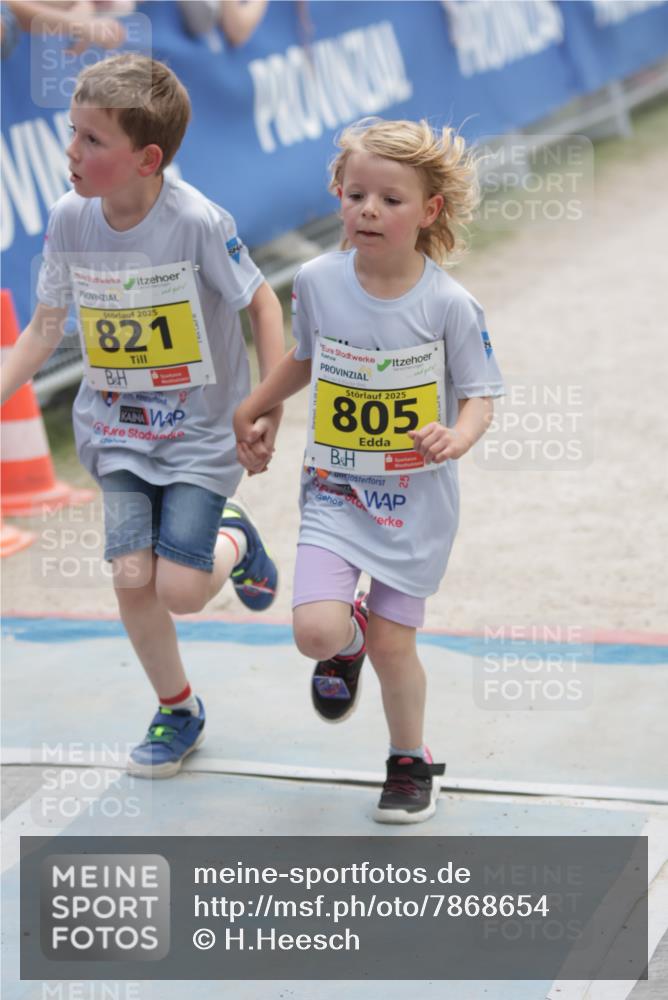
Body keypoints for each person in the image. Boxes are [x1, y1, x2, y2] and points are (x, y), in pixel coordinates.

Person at [0, 53, 284, 778]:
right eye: (73, 133)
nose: (71, 151)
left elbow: (262, 301)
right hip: (118, 433)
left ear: (146, 159)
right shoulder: (69, 218)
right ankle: (177, 707)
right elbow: (42, 328)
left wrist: (265, 405)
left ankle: (234, 538)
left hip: (196, 435)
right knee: (133, 577)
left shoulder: (195, 221)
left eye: (92, 141)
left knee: (181, 591)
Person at [234, 117, 504, 823]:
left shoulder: (447, 303)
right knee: (317, 633)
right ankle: (342, 646)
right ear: (338, 198)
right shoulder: (319, 281)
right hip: (335, 489)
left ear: (429, 211)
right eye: (356, 195)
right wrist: (254, 407)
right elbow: (304, 358)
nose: (368, 211)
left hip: (415, 503)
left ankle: (409, 760)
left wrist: (459, 436)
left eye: (389, 199)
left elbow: (482, 393)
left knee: (395, 644)